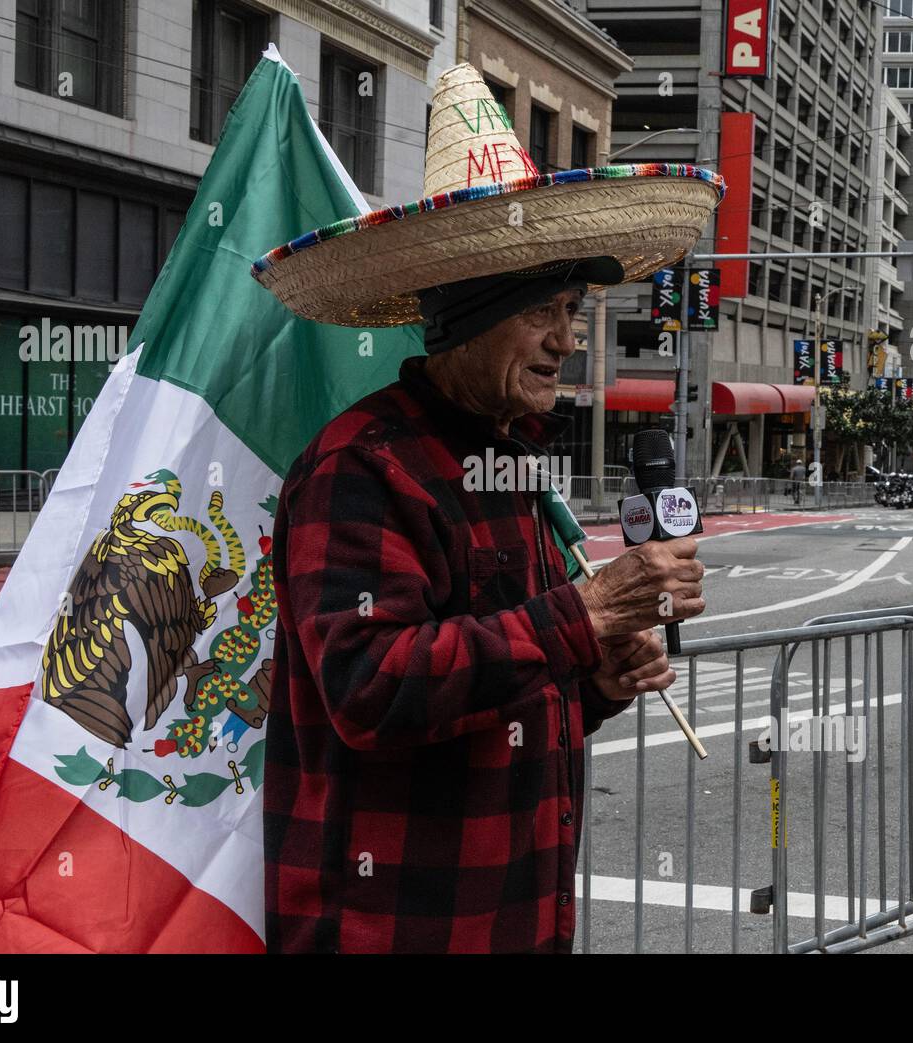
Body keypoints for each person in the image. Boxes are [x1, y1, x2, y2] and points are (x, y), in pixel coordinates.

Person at [251, 63, 721, 953]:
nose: (567, 339)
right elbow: (371, 690)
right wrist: (582, 615)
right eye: (542, 311)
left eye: (573, 309)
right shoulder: (362, 467)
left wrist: (596, 683)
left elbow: (505, 702)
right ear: (466, 317)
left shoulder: (511, 462)